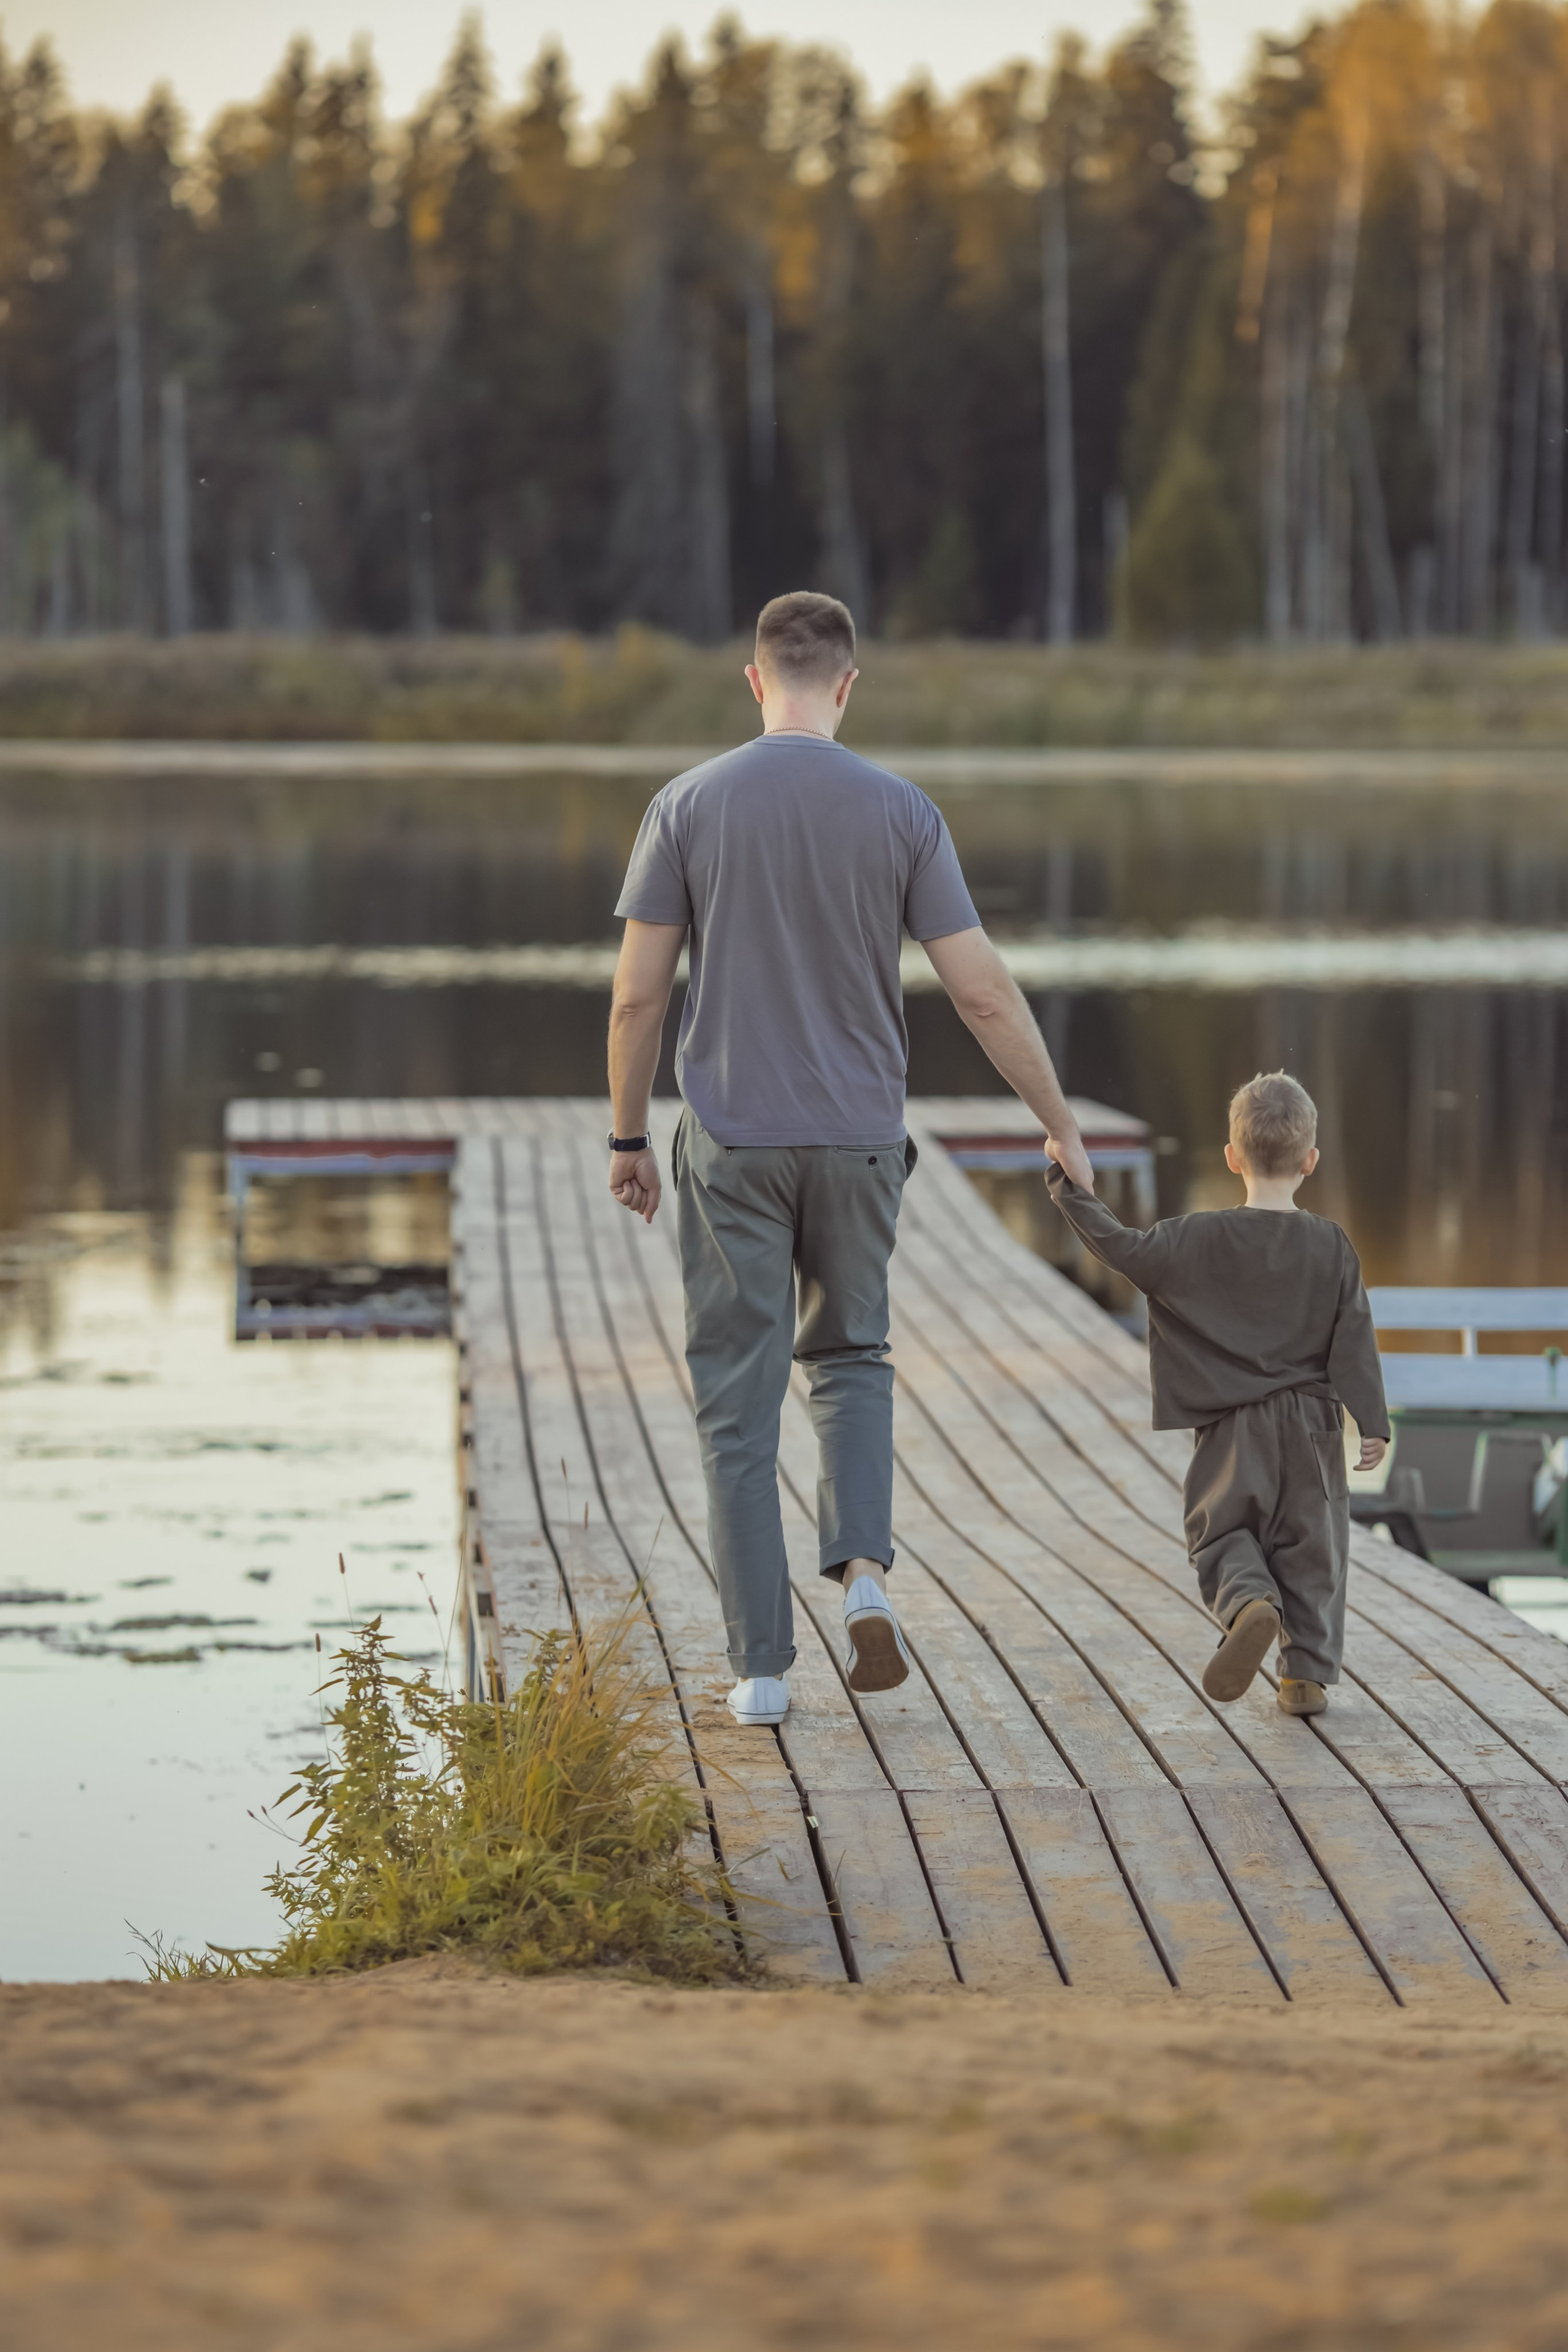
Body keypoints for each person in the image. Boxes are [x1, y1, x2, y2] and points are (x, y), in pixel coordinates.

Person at [606, 590, 1094, 1727]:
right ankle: (864, 1575)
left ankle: (761, 1669)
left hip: (731, 1145)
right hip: (863, 1140)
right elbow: (979, 991)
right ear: (848, 682)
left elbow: (637, 1000)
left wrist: (629, 1138)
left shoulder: (685, 806)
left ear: (754, 677)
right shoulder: (903, 811)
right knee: (854, 1359)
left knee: (738, 1404)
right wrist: (1058, 1116)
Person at [1046, 1069, 1389, 1717]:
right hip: (1314, 1431)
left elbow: (1121, 1250)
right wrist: (1372, 1422)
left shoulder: (1193, 1238)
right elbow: (1354, 1337)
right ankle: (1304, 1679)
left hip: (1232, 1429)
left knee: (1223, 1534)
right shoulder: (1331, 1244)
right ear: (1310, 1161)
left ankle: (1248, 1603)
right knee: (1314, 1551)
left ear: (1231, 1157)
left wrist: (1070, 1188)